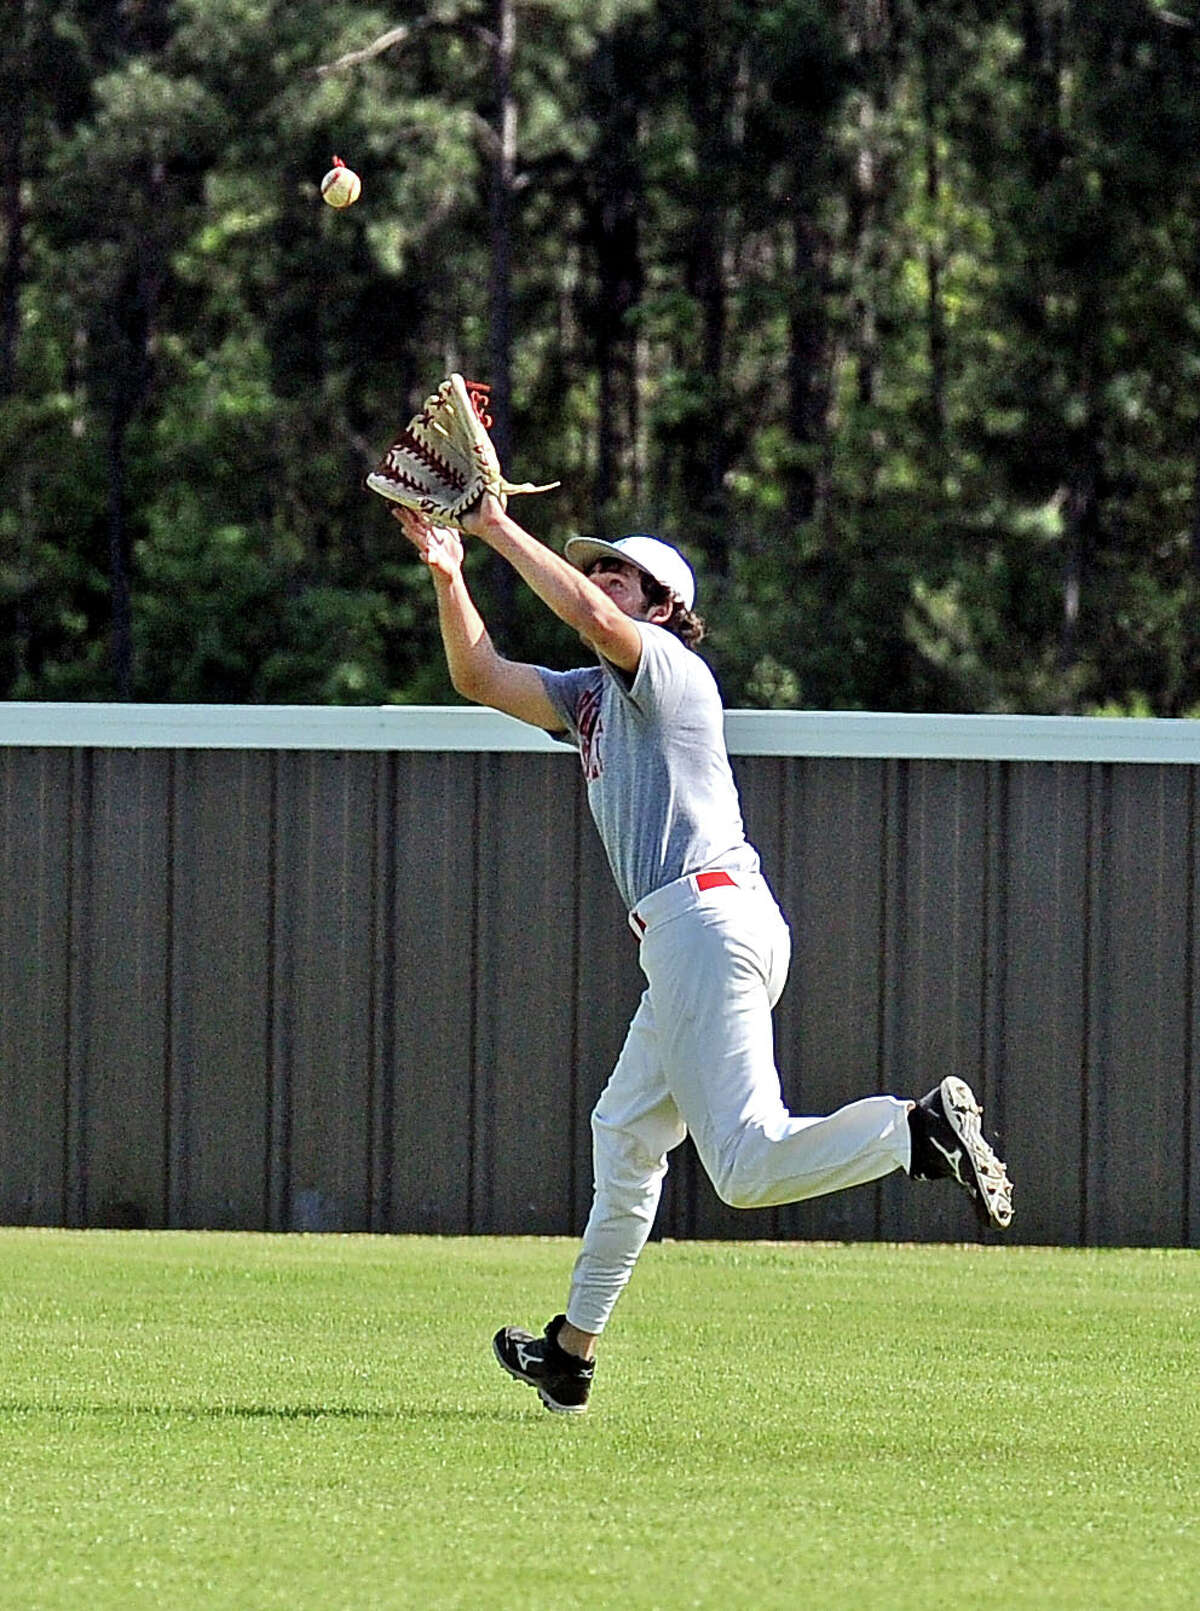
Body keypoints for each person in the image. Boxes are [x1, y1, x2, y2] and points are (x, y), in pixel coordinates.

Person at [392, 494, 1013, 1416]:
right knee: (626, 1132)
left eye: (621, 573)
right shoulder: (590, 698)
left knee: (746, 1166)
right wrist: (450, 574)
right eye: (596, 565)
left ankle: (913, 1131)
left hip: (703, 924)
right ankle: (570, 1351)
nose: (602, 579)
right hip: (696, 934)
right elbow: (479, 675)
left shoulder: (670, 670)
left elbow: (590, 619)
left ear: (662, 606)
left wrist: (489, 525)